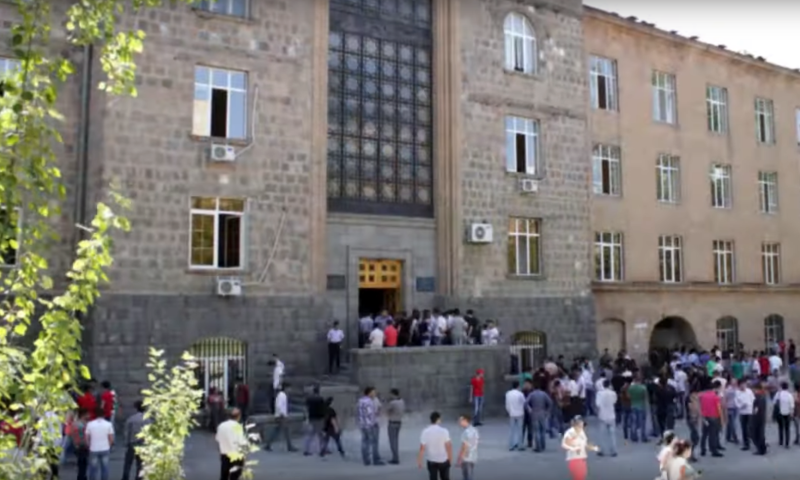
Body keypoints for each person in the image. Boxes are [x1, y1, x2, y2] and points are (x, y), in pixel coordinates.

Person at [561, 416, 598, 480]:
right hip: (574, 459)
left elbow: (584, 444)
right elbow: (564, 444)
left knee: (582, 477)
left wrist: (592, 448)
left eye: (582, 422)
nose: (581, 424)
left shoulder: (582, 432)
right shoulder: (570, 432)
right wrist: (573, 448)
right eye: (579, 423)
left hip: (582, 459)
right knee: (578, 477)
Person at [417, 411, 452, 480]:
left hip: (431, 459)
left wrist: (419, 460)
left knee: (433, 477)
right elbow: (448, 446)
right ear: (438, 420)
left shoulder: (425, 432)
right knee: (445, 478)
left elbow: (422, 448)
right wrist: (450, 459)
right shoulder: (444, 431)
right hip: (443, 459)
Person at [216, 408, 248, 480]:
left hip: (224, 453)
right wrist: (244, 454)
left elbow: (218, 439)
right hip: (236, 454)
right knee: (234, 476)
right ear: (238, 416)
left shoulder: (221, 425)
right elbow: (241, 441)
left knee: (224, 475)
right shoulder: (237, 426)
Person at [121, 400, 147, 480]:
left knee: (128, 463)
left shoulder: (131, 419)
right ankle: (139, 478)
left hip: (132, 443)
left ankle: (125, 477)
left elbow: (126, 432)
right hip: (143, 443)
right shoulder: (148, 419)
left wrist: (126, 442)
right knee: (140, 464)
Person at [86, 406, 114, 480]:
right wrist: (109, 445)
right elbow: (111, 438)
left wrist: (89, 445)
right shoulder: (108, 424)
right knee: (105, 468)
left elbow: (87, 438)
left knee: (93, 468)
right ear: (104, 414)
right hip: (105, 448)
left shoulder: (90, 424)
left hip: (93, 448)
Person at [456, 414, 478, 480]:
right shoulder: (474, 430)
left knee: (466, 476)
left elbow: (464, 446)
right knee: (470, 474)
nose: (459, 422)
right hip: (473, 456)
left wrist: (460, 458)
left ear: (465, 420)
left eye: (460, 421)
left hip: (466, 457)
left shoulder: (466, 432)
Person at [505, 381, 525, 451]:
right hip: (519, 413)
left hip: (512, 413)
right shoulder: (520, 394)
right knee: (519, 430)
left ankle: (511, 445)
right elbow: (524, 402)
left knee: (512, 430)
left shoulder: (508, 394)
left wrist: (509, 411)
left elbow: (507, 404)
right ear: (518, 386)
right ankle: (520, 445)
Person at [773, 381, 794, 448]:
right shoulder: (789, 395)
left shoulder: (778, 394)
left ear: (781, 387)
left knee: (780, 427)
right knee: (787, 428)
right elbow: (792, 405)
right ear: (787, 387)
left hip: (780, 413)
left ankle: (781, 441)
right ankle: (787, 443)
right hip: (787, 413)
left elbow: (774, 402)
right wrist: (791, 413)